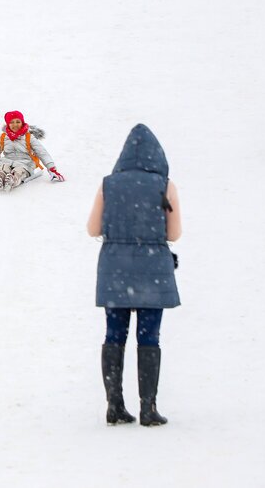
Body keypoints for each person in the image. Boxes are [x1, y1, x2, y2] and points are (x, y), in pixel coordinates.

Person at [87, 124, 181, 427]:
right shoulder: (165, 185)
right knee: (148, 337)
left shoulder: (108, 185)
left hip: (115, 269)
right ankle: (148, 409)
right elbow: (175, 234)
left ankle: (114, 406)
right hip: (153, 268)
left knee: (114, 335)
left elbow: (93, 229)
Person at [0, 110, 65, 190]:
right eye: (12, 122)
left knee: (19, 171)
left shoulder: (29, 137)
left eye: (18, 122)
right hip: (7, 161)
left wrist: (52, 169)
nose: (15, 125)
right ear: (7, 124)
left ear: (22, 122)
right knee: (3, 167)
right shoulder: (3, 137)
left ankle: (13, 179)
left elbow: (42, 153)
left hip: (25, 163)